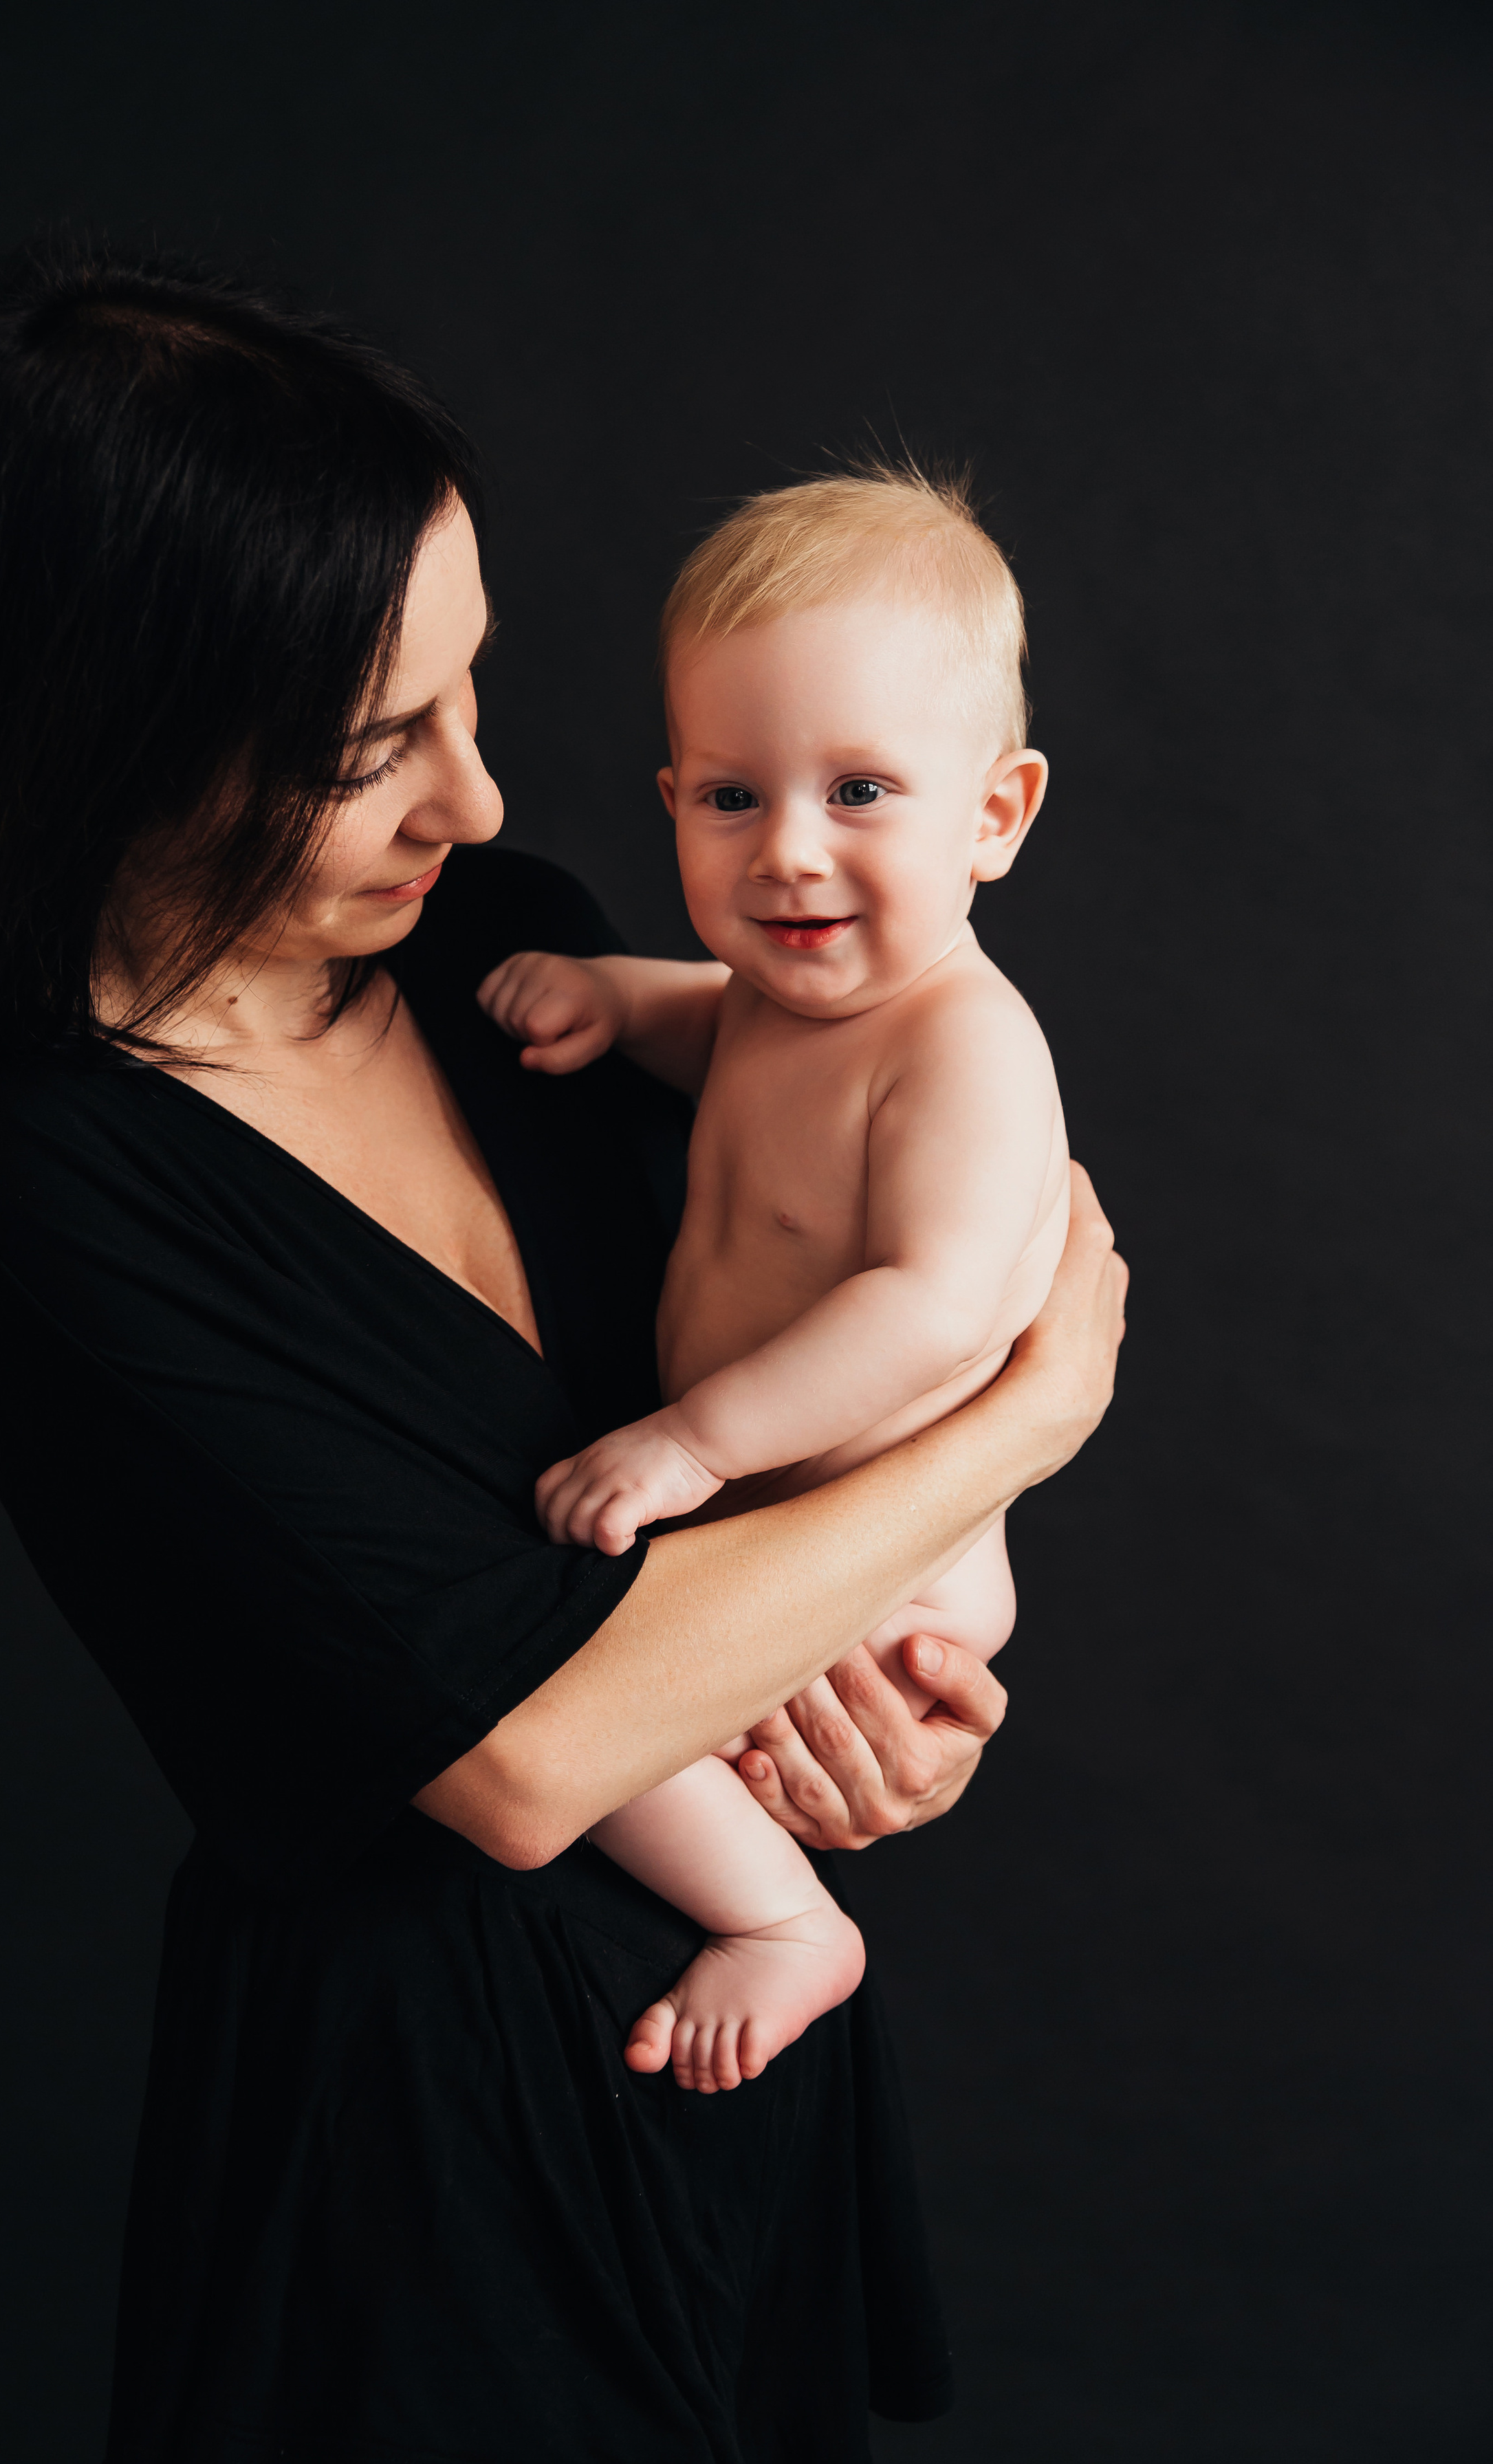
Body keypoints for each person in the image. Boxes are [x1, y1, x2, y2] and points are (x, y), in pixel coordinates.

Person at [0, 242, 1126, 2464]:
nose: (483, 792)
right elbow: (520, 1747)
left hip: (739, 2068)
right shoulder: (48, 1169)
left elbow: (771, 1436)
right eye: (363, 742)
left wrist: (904, 1715)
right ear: (100, 732)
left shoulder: (507, 945)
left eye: (471, 686)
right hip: (416, 2147)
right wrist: (1041, 1395)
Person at [477, 470, 1068, 2100]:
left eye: (859, 789)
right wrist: (615, 996)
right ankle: (755, 1899)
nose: (788, 857)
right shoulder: (769, 997)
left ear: (994, 816)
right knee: (585, 1702)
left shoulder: (960, 1047)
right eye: (729, 798)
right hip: (767, 1513)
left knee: (599, 1714)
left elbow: (936, 1305)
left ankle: (782, 1923)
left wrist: (693, 1443)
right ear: (668, 794)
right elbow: (706, 1017)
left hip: (886, 1551)